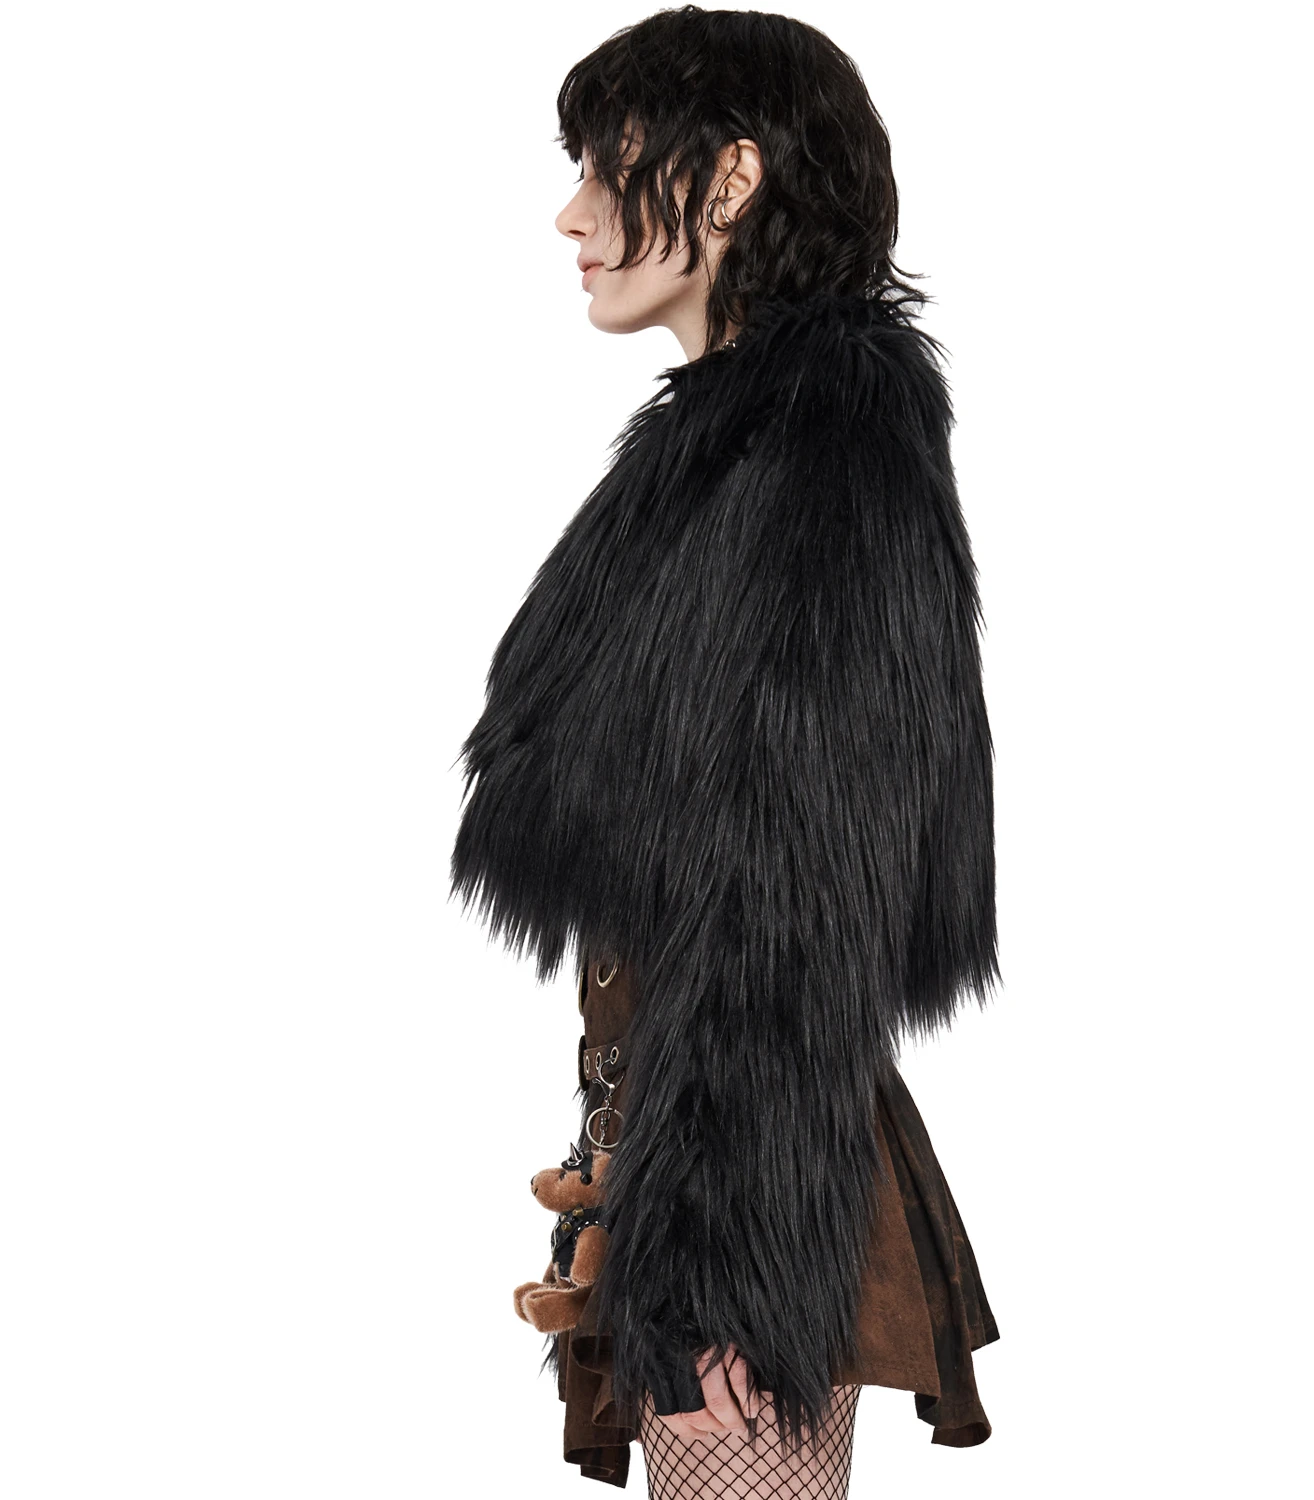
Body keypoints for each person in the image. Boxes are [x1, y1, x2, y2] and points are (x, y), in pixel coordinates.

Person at [452, 8, 1001, 1494]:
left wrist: (714, 1244)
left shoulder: (824, 453)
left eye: (606, 165)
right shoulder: (731, 452)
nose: (571, 215)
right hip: (695, 1140)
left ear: (732, 180)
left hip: (751, 1173)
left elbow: (801, 900)